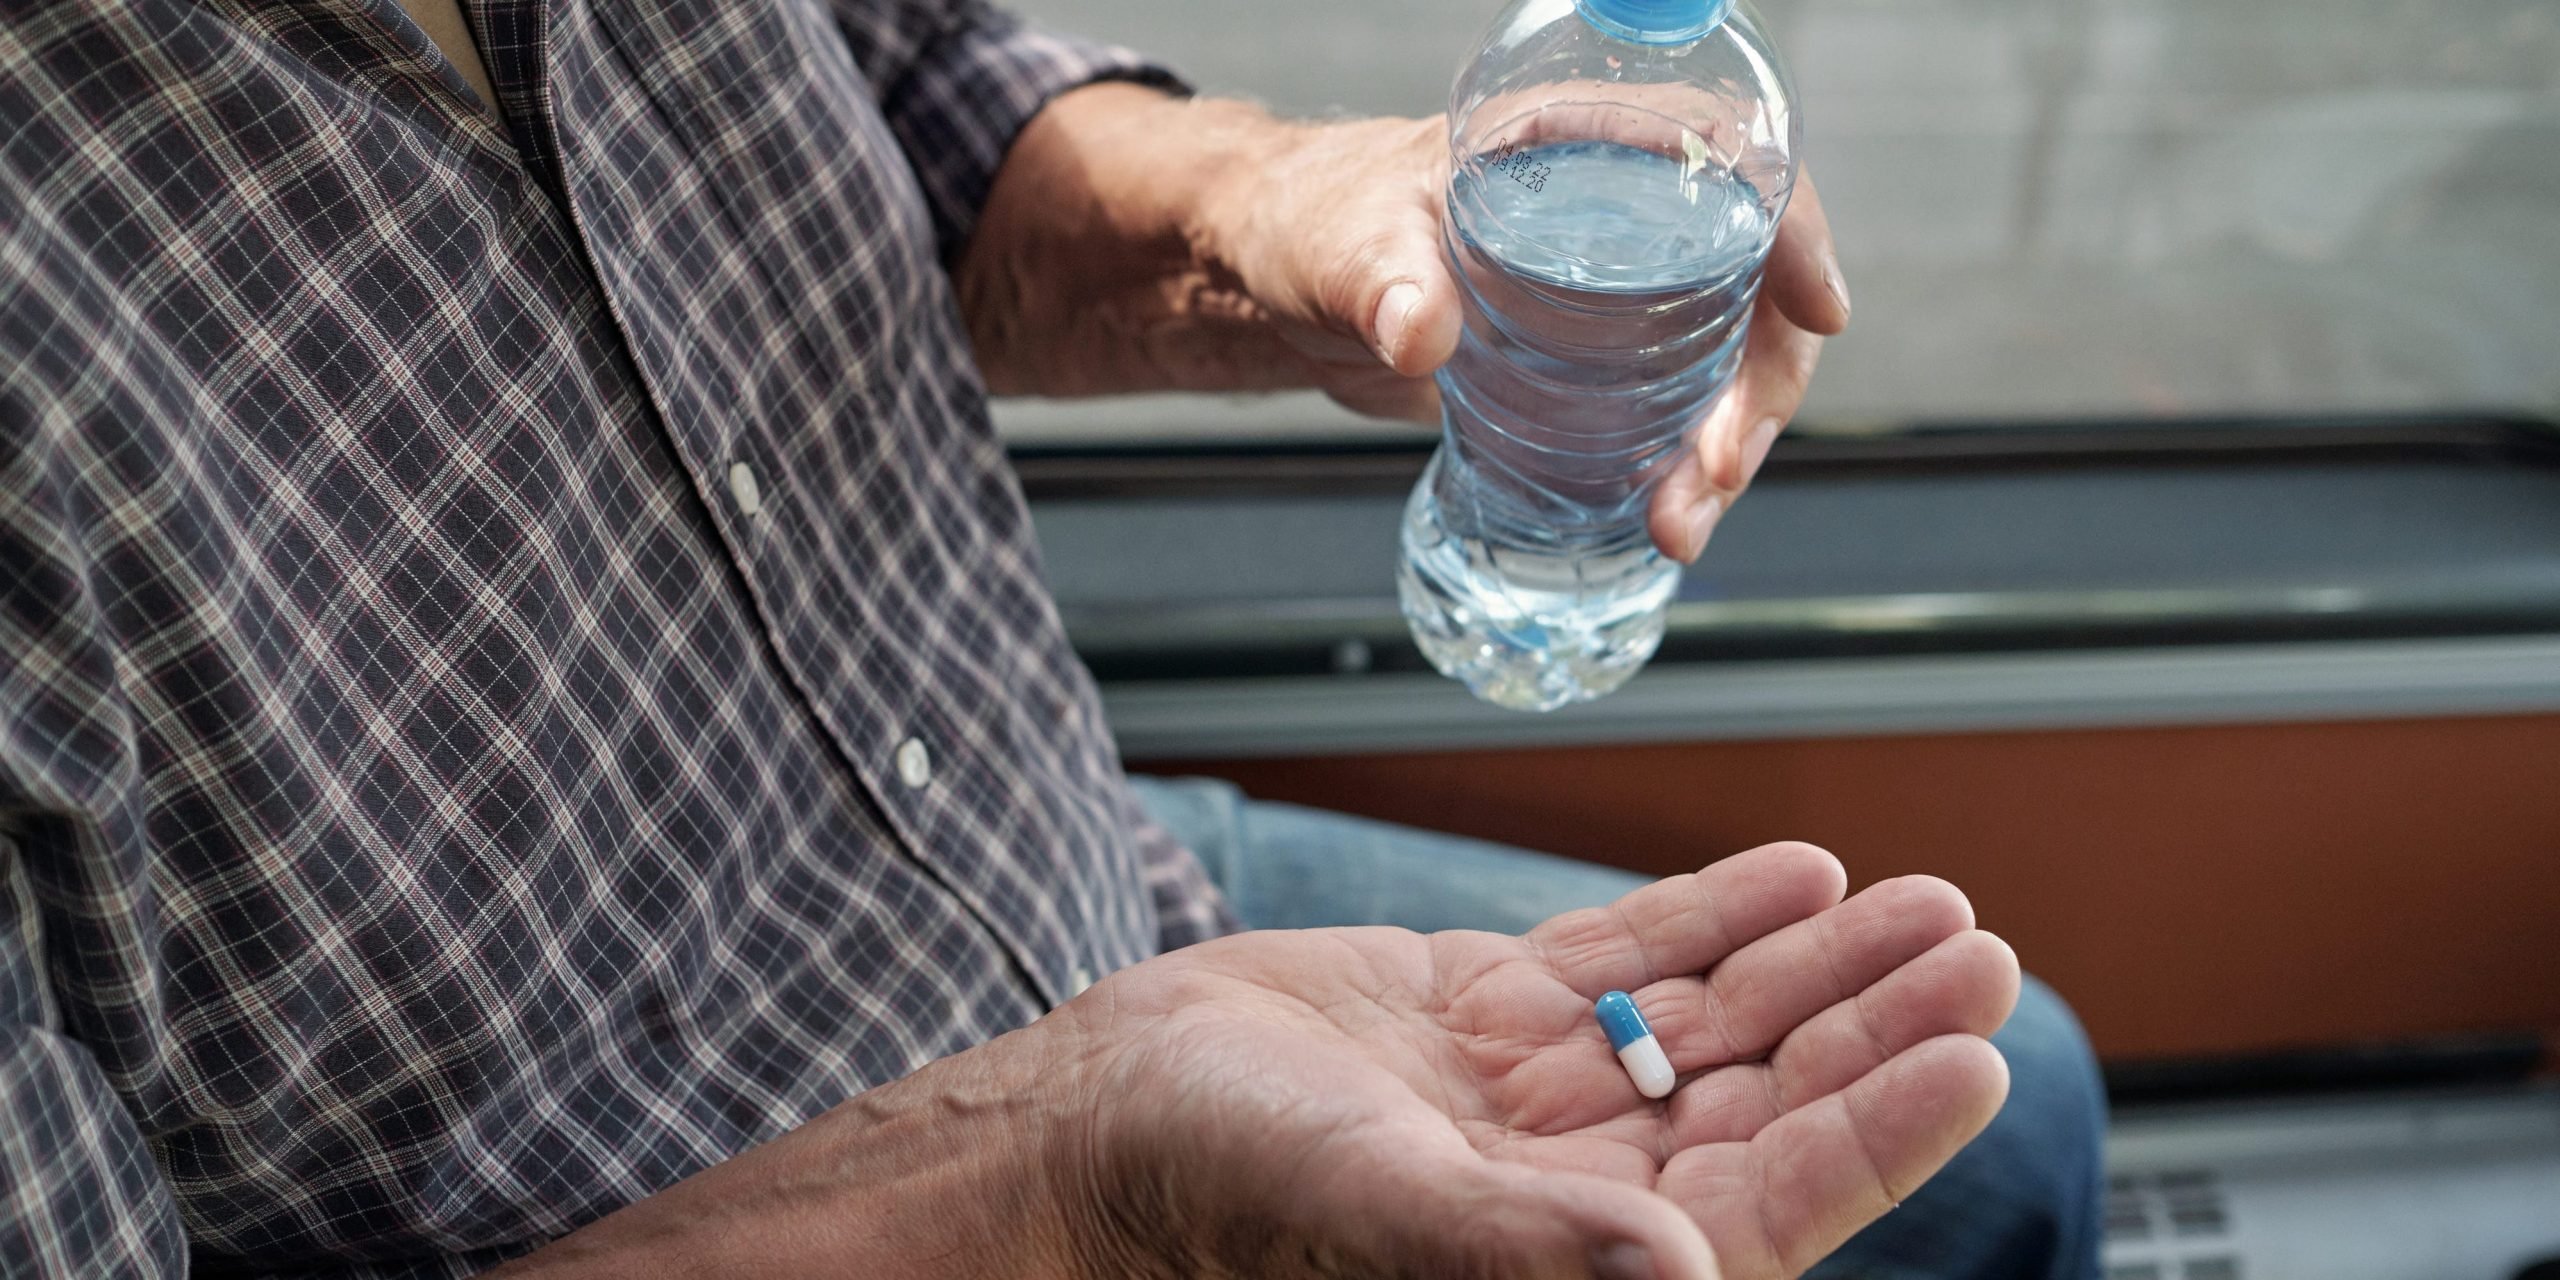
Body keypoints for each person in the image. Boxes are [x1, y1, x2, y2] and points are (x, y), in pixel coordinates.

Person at [0, 0, 2103, 1275]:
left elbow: (922, 97)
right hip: (798, 1200)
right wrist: (1086, 1194)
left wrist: (1274, 210)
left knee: (2013, 1108)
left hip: (1075, 856)